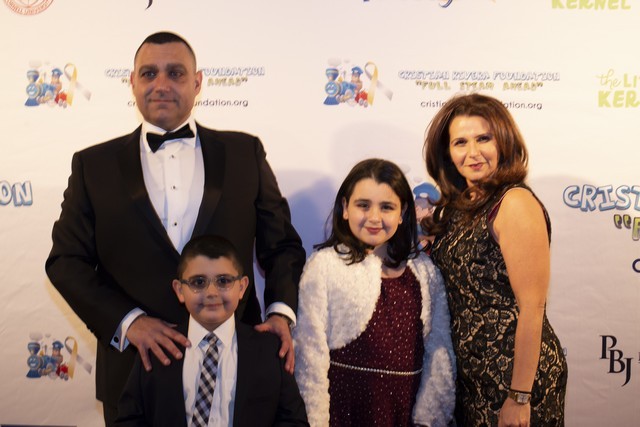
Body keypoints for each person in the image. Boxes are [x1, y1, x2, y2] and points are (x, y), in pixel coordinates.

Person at [45, 31, 305, 425]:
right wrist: (129, 322)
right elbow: (65, 262)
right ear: (132, 83)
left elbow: (282, 245)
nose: (161, 84)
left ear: (197, 82)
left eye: (176, 73)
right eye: (149, 73)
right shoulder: (92, 165)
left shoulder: (244, 152)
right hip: (136, 369)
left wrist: (281, 313)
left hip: (241, 368)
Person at [422, 93, 567, 427]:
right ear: (447, 153)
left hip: (514, 380)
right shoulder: (459, 207)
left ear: (503, 141)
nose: (472, 152)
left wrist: (520, 396)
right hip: (471, 379)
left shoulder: (514, 203)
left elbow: (532, 307)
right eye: (460, 142)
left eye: (483, 138)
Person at [293, 158, 455, 427]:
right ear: (345, 208)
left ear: (403, 212)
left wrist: (429, 419)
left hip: (404, 411)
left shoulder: (424, 272)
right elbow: (309, 355)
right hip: (344, 411)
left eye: (387, 207)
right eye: (363, 205)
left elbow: (439, 351)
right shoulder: (324, 266)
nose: (374, 217)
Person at [116, 235, 309, 427]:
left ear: (242, 287)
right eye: (198, 282)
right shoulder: (156, 347)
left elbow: (294, 420)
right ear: (180, 290)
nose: (211, 293)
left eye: (223, 281)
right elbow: (129, 420)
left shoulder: (269, 349)